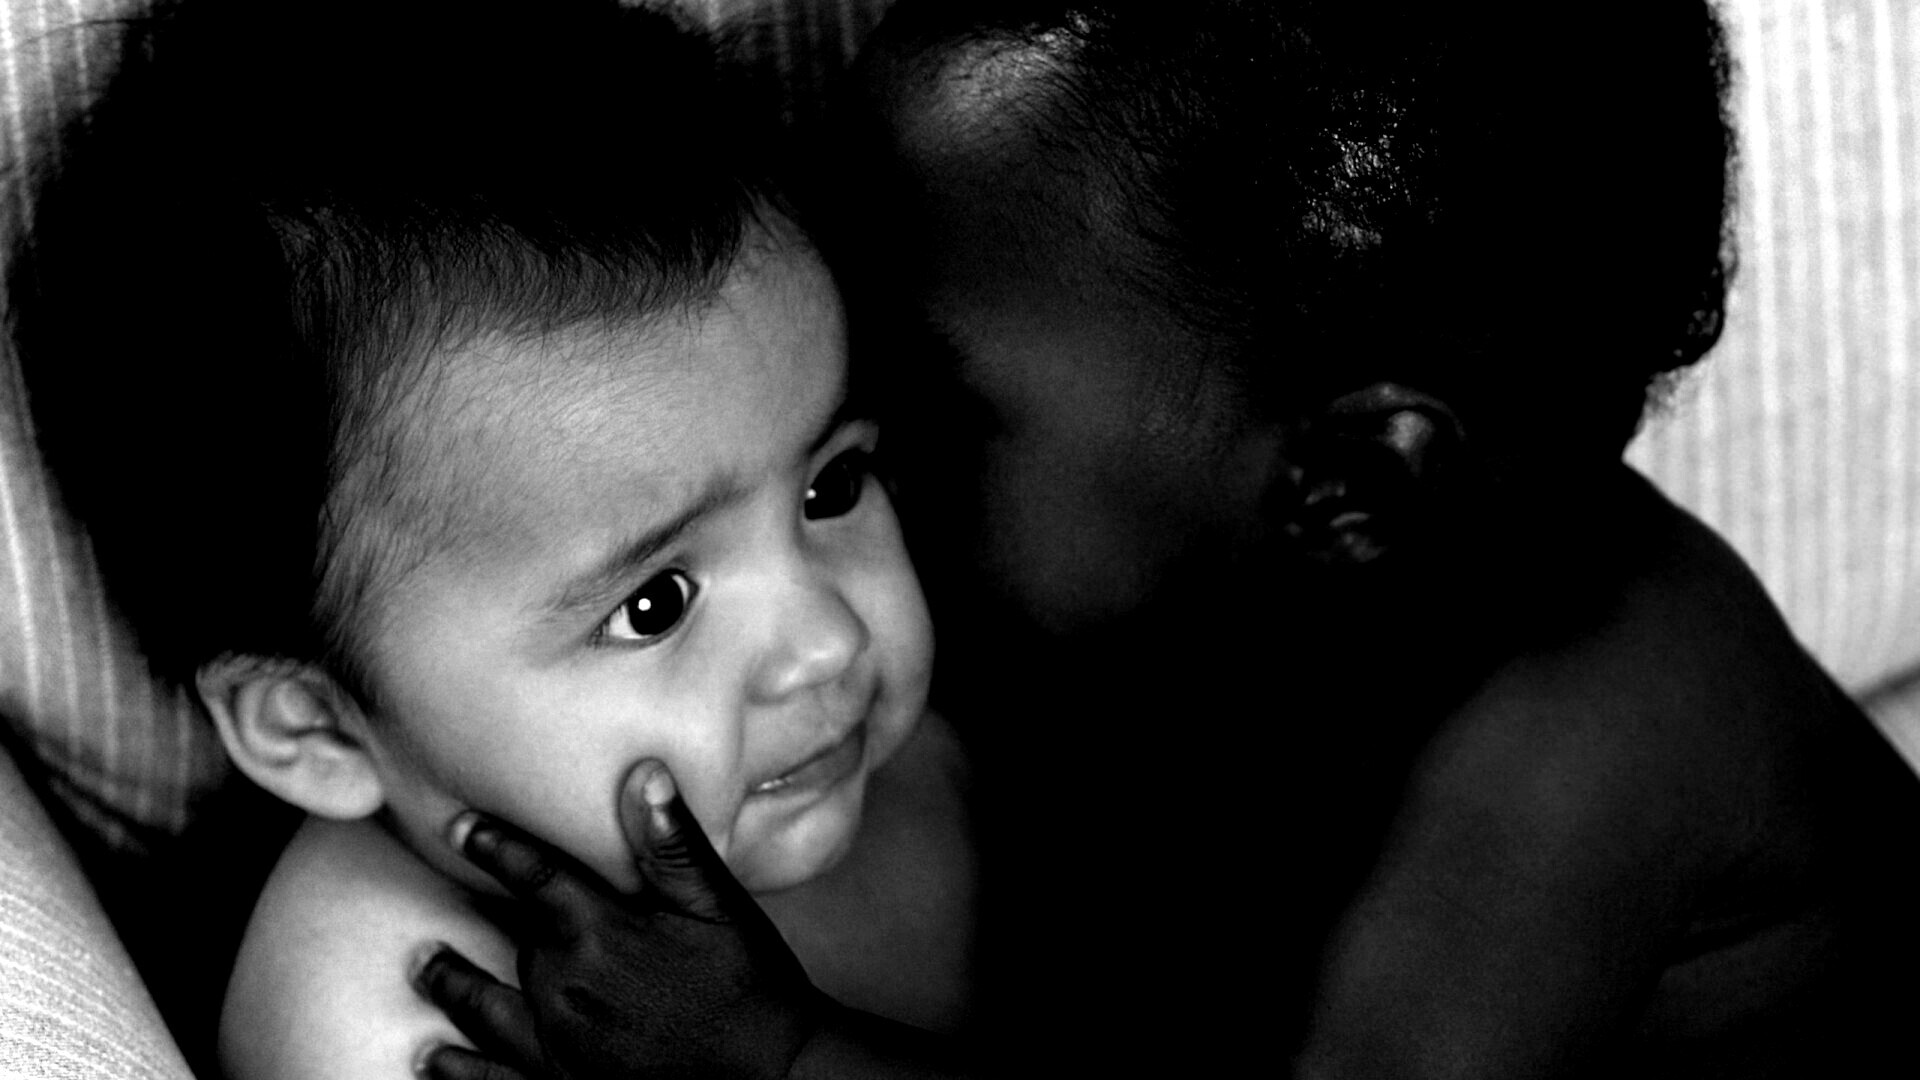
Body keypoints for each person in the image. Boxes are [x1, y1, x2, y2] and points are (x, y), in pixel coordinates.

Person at [413, 1, 1920, 1077]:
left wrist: (779, 1054)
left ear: (1350, 487)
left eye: (927, 403)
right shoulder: (1158, 611)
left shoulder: (1601, 725)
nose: (841, 437)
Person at [7, 1, 975, 1078]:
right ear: (318, 731)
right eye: (653, 605)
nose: (828, 641)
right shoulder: (394, 1008)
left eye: (830, 488)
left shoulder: (919, 763)